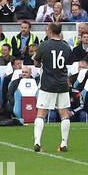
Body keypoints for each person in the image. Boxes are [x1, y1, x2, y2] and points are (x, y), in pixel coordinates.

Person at [33, 22, 73, 152]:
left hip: (47, 84)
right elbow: (68, 63)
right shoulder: (66, 47)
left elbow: (36, 63)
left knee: (41, 113)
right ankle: (64, 143)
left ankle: (37, 142)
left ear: (50, 31)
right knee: (64, 114)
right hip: (62, 84)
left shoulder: (44, 45)